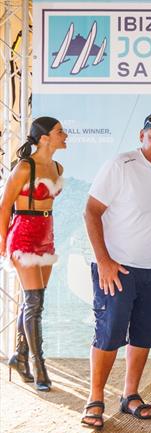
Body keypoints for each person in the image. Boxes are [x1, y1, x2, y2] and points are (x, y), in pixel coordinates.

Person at [81, 112, 151, 429]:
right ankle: (95, 399)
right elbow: (91, 211)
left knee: (144, 335)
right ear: (142, 136)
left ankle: (130, 395)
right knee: (108, 334)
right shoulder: (120, 164)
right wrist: (104, 261)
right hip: (117, 268)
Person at [1, 117, 67, 392]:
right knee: (34, 301)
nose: (65, 135)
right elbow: (5, 208)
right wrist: (3, 245)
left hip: (45, 235)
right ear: (43, 138)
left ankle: (19, 356)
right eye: (59, 131)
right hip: (24, 235)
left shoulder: (58, 166)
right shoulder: (24, 167)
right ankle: (40, 369)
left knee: (34, 302)